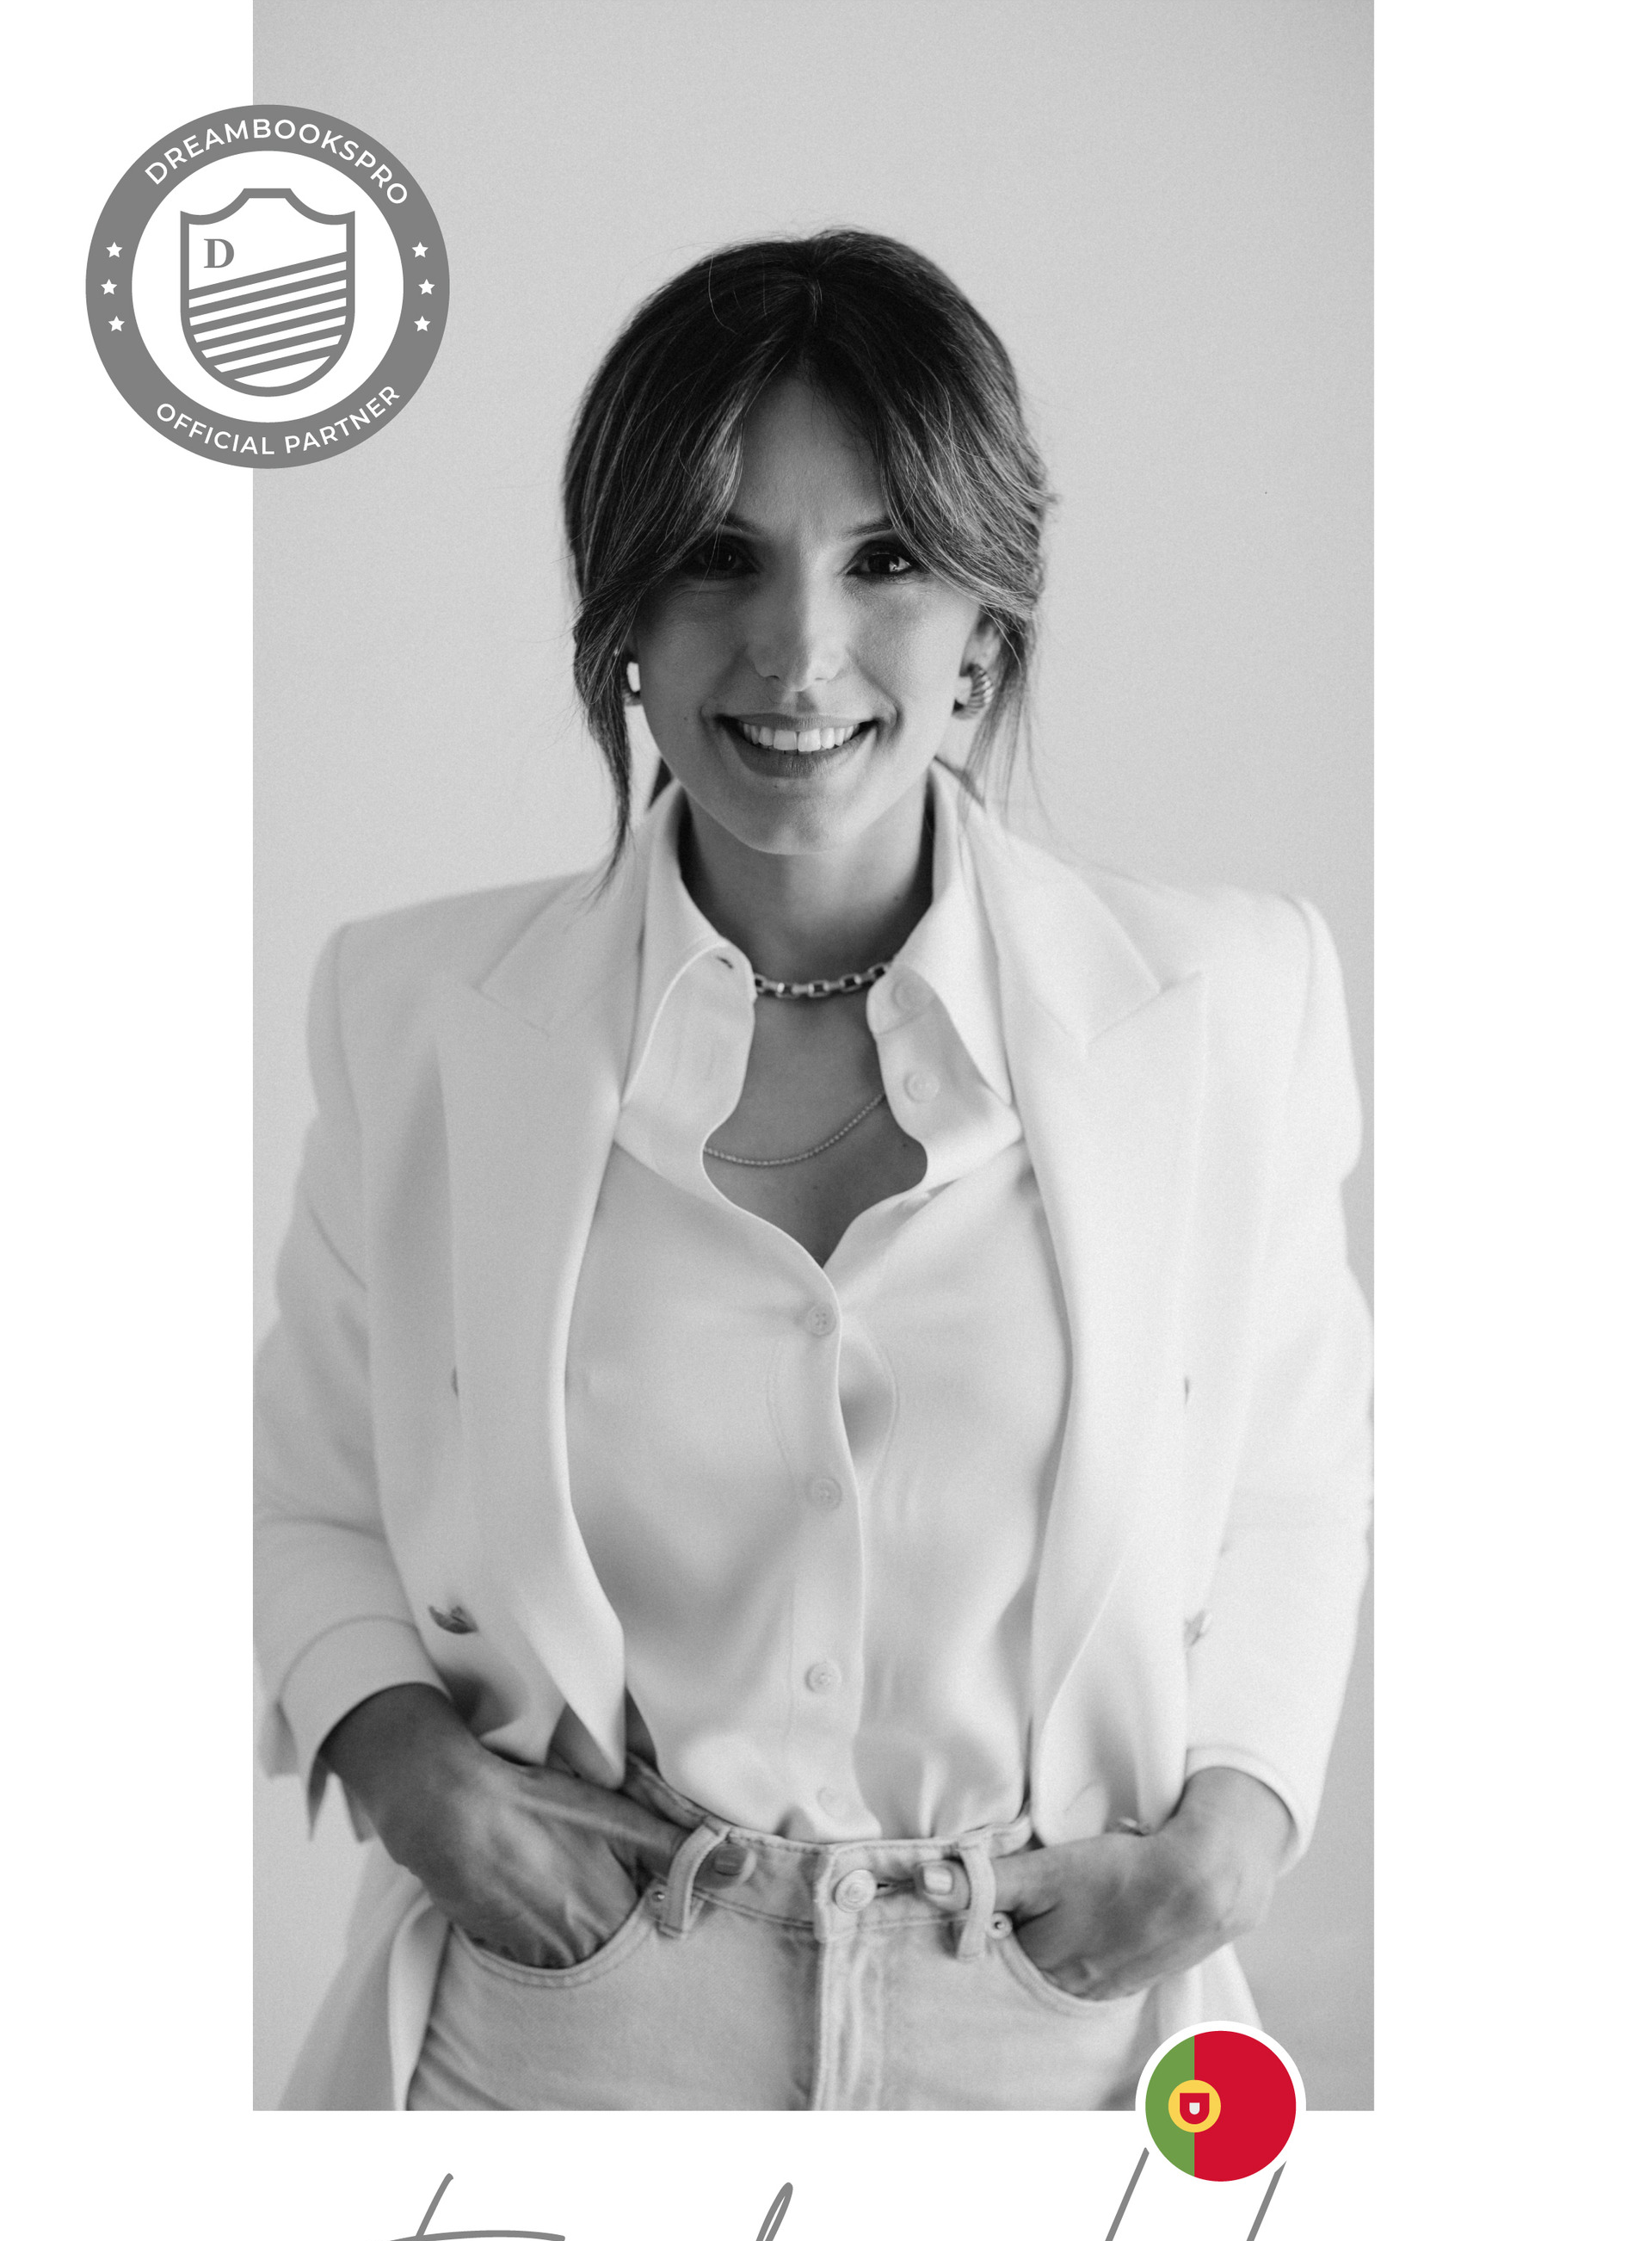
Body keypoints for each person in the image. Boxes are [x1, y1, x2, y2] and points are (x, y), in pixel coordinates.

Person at [256, 229, 1372, 2111]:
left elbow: (1297, 1472)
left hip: (1053, 2027)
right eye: (718, 557)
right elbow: (303, 1495)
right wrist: (401, 1759)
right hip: (563, 2026)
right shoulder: (415, 1011)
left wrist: (1242, 1820)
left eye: (886, 561)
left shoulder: (1227, 1001)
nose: (797, 652)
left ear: (987, 629)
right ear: (621, 622)